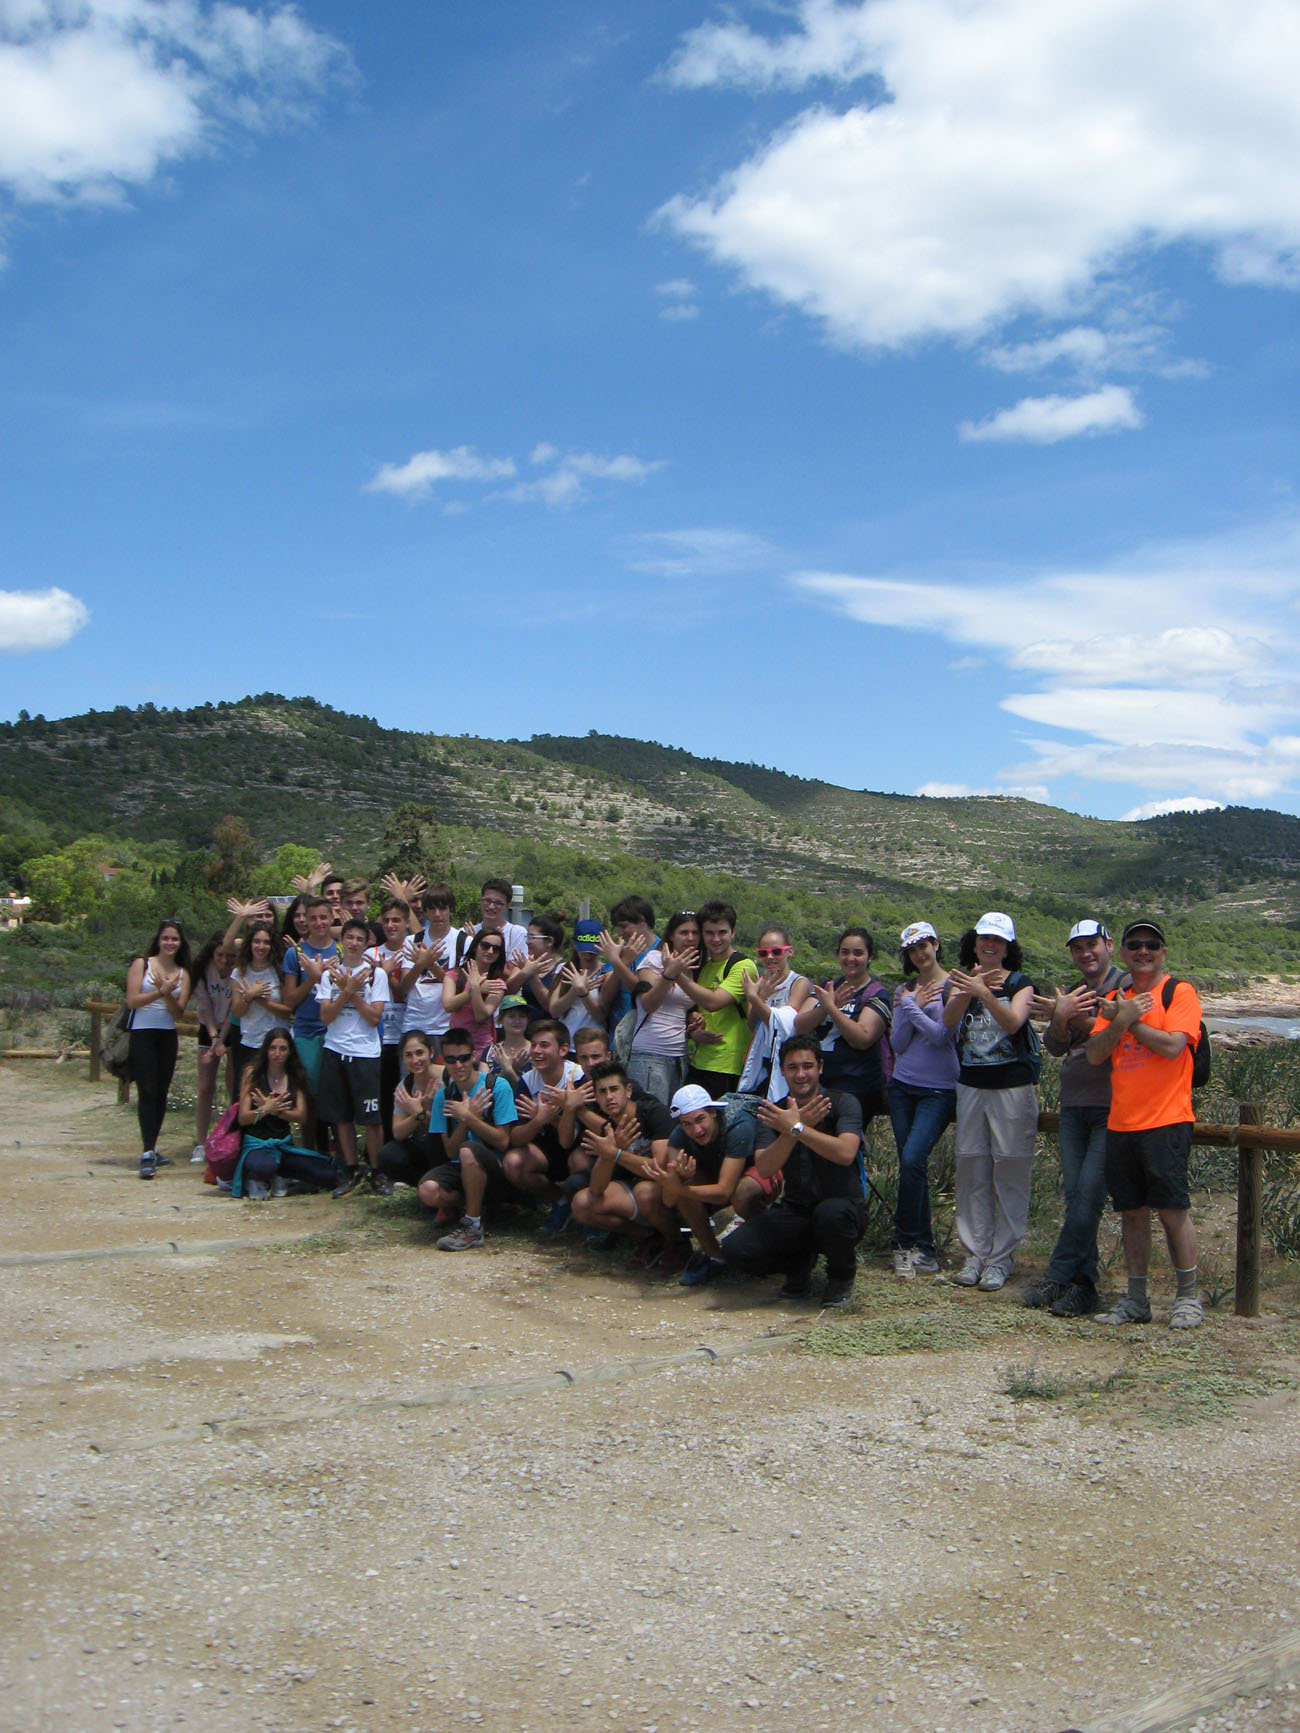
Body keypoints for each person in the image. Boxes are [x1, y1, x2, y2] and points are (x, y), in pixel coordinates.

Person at [1086, 919, 1205, 1330]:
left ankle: (1188, 1298)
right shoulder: (1117, 999)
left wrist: (1128, 1019)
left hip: (1167, 1121)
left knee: (1173, 1211)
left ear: (1163, 952)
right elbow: (1096, 1054)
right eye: (1134, 944)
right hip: (1122, 1123)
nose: (1143, 951)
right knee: (1132, 1214)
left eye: (1151, 944)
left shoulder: (1179, 993)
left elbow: (1174, 1047)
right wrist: (1121, 1017)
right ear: (1123, 953)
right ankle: (1136, 1300)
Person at [718, 1035, 867, 1308]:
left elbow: (846, 1153)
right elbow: (765, 1167)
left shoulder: (843, 1102)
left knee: (830, 1215)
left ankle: (841, 1276)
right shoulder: (774, 1113)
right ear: (783, 1071)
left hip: (843, 1208)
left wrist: (799, 1129)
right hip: (797, 1209)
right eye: (793, 1067)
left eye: (807, 1066)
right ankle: (797, 1264)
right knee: (735, 1249)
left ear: (820, 1067)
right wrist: (789, 1131)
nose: (801, 1074)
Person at [1023, 919, 1124, 1317]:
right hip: (1073, 1105)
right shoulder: (1075, 992)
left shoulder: (1126, 989)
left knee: (1088, 1198)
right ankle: (1083, 1286)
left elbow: (1120, 1037)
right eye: (1078, 947)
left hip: (1112, 1106)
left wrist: (1071, 1014)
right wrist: (1060, 1018)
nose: (1085, 953)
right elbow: (1053, 1046)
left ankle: (1060, 1275)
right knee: (1076, 1197)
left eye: (1091, 945)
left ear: (1109, 946)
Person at [943, 912, 1038, 1292]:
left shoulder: (1021, 984)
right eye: (985, 938)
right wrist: (970, 988)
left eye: (998, 940)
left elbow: (1015, 1023)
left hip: (1012, 1087)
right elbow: (950, 1018)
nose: (990, 945)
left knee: (1011, 1170)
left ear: (1007, 947)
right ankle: (975, 1254)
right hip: (971, 1085)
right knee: (971, 1169)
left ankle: (1001, 1258)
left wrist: (985, 994)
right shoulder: (963, 981)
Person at [888, 921, 959, 1278]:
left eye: (924, 945)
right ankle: (917, 1246)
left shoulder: (954, 986)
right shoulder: (905, 989)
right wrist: (910, 1003)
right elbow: (898, 1044)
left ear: (936, 944)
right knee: (910, 1166)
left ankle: (910, 1243)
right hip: (902, 1087)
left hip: (939, 1089)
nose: (919, 954)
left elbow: (941, 1035)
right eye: (912, 949)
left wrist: (911, 1008)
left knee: (914, 1158)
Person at [643, 1084, 757, 1283]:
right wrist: (677, 1180)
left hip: (759, 1172)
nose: (696, 1130)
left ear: (713, 1112)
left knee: (741, 1194)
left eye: (700, 1119)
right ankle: (715, 1257)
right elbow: (669, 1201)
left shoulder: (738, 1125)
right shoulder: (678, 1137)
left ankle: (769, 1250)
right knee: (687, 1189)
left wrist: (681, 1188)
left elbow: (724, 1191)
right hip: (722, 1171)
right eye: (686, 1124)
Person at [418, 1029, 520, 1250]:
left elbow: (503, 1141)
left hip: (495, 1168)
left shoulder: (497, 1086)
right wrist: (465, 1120)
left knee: (468, 1151)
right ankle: (471, 1203)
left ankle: (472, 1226)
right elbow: (449, 1151)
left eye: (464, 1058)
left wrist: (468, 1117)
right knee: (428, 1191)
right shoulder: (442, 1097)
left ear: (474, 1056)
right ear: (443, 1061)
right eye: (451, 1060)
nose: (458, 1065)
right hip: (460, 1166)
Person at [315, 917, 390, 1196]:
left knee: (371, 1118)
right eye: (350, 938)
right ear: (342, 941)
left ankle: (377, 1170)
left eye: (360, 939)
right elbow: (325, 1016)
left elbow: (374, 1018)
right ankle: (348, 1169)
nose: (355, 943)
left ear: (367, 942)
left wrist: (353, 993)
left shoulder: (375, 975)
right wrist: (343, 991)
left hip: (365, 1053)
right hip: (335, 1049)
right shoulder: (327, 974)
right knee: (341, 1116)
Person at [570, 1061, 677, 1247]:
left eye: (614, 1089)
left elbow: (659, 1170)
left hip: (670, 1190)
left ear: (628, 1090)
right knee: (582, 1204)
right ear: (595, 1096)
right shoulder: (607, 1127)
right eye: (602, 1092)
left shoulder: (654, 1113)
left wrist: (616, 1154)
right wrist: (607, 1156)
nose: (609, 1097)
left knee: (644, 1191)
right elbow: (596, 1189)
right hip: (634, 1188)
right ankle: (648, 1237)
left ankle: (677, 1244)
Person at [795, 927, 893, 1126]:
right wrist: (825, 1007)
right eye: (845, 952)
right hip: (818, 1085)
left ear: (870, 956)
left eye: (858, 953)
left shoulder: (876, 994)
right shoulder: (828, 986)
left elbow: (862, 1039)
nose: (851, 958)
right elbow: (800, 1025)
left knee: (844, 1150)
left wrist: (832, 1007)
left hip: (855, 1088)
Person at [666, 900, 758, 1098]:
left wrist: (675, 974)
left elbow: (714, 1002)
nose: (716, 939)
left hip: (728, 1066)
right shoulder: (705, 968)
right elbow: (700, 1011)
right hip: (700, 1061)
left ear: (732, 932)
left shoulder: (742, 966)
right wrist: (694, 1031)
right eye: (709, 933)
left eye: (722, 932)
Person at [124, 920, 193, 1179]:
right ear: (158, 940)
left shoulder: (183, 972)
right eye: (165, 938)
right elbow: (132, 1001)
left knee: (161, 1092)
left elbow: (179, 1011)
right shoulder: (142, 964)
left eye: (174, 939)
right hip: (142, 1034)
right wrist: (159, 991)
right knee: (147, 1090)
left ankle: (152, 1147)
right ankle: (146, 1150)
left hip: (166, 1035)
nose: (170, 943)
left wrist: (167, 994)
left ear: (180, 943)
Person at [232, 1029, 331, 1199]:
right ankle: (255, 1178)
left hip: (283, 1144)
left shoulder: (296, 1075)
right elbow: (243, 1117)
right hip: (257, 1143)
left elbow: (301, 1116)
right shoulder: (252, 1073)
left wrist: (276, 1111)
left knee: (326, 1173)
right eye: (273, 1048)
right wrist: (264, 1110)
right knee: (264, 1166)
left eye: (283, 1049)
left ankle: (282, 1175)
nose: (277, 1054)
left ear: (290, 1051)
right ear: (266, 1050)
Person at [629, 910, 702, 1104]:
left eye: (695, 933)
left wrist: (693, 1017)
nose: (690, 938)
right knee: (648, 1122)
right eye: (684, 932)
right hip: (650, 1056)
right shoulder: (654, 959)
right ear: (671, 935)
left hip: (680, 1057)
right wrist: (669, 974)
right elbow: (648, 1004)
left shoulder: (695, 967)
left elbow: (681, 1006)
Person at [372, 1028, 443, 1194]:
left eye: (420, 1053)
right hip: (421, 1146)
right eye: (408, 1055)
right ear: (402, 1059)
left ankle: (442, 1188)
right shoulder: (404, 1086)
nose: (415, 1060)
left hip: (446, 1146)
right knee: (387, 1156)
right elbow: (397, 1133)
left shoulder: (447, 1078)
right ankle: (426, 1188)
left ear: (431, 1052)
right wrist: (417, 1114)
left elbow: (450, 1125)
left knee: (434, 1139)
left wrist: (420, 1112)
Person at [367, 897, 414, 1141]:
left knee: (406, 1093)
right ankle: (383, 1144)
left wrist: (384, 974)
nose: (391, 925)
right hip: (380, 1036)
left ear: (407, 922)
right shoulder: (370, 954)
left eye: (396, 920)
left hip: (407, 1032)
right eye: (386, 920)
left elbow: (404, 991)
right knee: (383, 1094)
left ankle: (406, 1143)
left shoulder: (414, 950)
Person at [189, 930, 235, 1163]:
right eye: (220, 955)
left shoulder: (238, 972)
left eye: (229, 956)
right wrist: (213, 1038)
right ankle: (200, 1141)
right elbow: (204, 1006)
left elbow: (233, 1009)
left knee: (232, 1085)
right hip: (208, 1026)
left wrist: (222, 1038)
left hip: (232, 1026)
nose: (224, 960)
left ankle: (229, 1137)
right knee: (206, 1086)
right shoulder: (203, 972)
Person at [230, 920, 290, 1081]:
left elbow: (288, 1011)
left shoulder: (279, 971)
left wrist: (260, 1000)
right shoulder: (239, 973)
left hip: (277, 1044)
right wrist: (248, 997)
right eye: (257, 941)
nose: (261, 946)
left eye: (266, 942)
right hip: (250, 1042)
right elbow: (237, 1011)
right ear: (250, 943)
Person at [399, 886, 457, 1049]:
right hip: (414, 1025)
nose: (437, 914)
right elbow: (403, 988)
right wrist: (420, 964)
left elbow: (460, 989)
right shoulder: (412, 940)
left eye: (442, 908)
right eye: (432, 909)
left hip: (447, 1027)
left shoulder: (463, 941)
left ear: (451, 910)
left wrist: (431, 965)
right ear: (425, 912)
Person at [441, 929, 509, 1058]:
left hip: (482, 1050)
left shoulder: (497, 984)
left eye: (496, 949)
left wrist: (475, 988)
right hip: (456, 1047)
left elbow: (481, 1016)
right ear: (475, 947)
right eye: (485, 946)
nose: (490, 951)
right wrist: (474, 989)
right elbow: (448, 1005)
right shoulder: (453, 975)